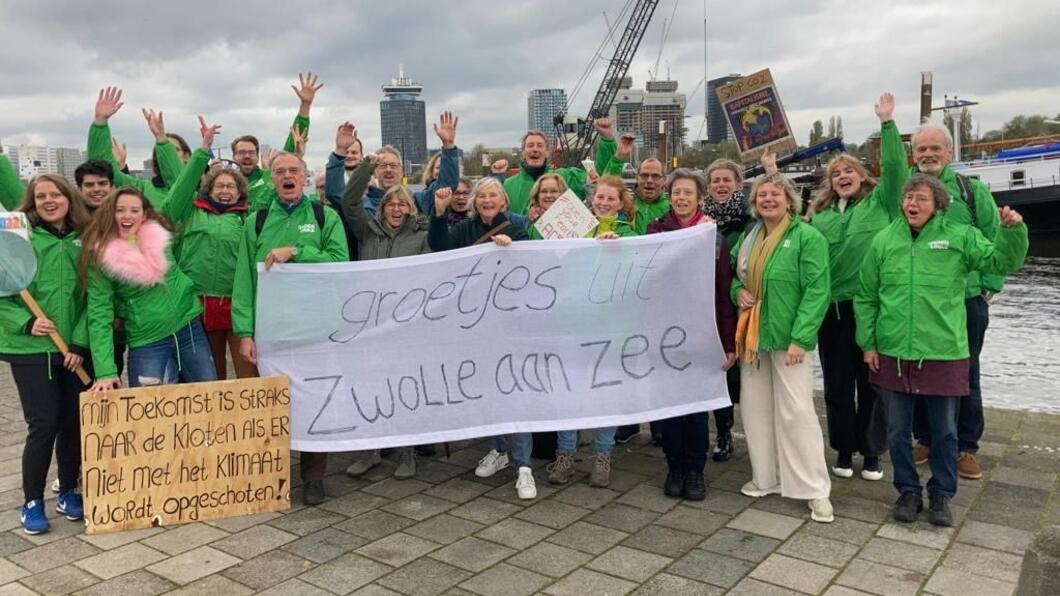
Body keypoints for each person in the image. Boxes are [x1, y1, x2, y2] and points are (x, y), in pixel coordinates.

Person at [855, 174, 1028, 526]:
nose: (911, 204)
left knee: (946, 431)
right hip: (894, 350)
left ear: (938, 204)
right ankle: (907, 490)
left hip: (944, 350)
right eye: (907, 197)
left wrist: (1012, 232)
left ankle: (941, 494)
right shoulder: (884, 240)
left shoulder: (959, 236)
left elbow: (999, 262)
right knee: (897, 430)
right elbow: (867, 295)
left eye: (920, 198)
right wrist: (869, 343)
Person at [232, 151, 349, 506]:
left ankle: (313, 476)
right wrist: (244, 332)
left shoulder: (324, 215)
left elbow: (339, 262)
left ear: (304, 177)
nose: (287, 176)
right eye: (280, 171)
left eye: (293, 171)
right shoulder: (256, 221)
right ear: (272, 180)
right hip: (273, 330)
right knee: (272, 401)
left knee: (314, 400)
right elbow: (243, 282)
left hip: (314, 327)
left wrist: (296, 252)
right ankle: (272, 472)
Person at [806, 93, 908, 480]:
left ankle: (872, 450)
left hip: (868, 307)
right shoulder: (821, 216)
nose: (843, 177)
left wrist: (887, 123)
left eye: (849, 171)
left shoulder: (881, 205)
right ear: (830, 182)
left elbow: (897, 170)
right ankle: (844, 449)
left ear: (862, 176)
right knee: (836, 384)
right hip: (830, 310)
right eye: (836, 174)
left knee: (872, 382)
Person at [731, 173, 833, 523]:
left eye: (775, 195)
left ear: (790, 201)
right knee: (755, 409)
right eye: (762, 195)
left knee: (797, 411)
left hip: (788, 337)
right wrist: (736, 292)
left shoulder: (808, 238)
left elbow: (817, 290)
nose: (768, 200)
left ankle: (815, 489)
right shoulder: (749, 237)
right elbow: (735, 274)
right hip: (754, 336)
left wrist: (801, 338)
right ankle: (766, 476)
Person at [334, 124, 432, 480]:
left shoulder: (421, 235)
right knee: (371, 385)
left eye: (401, 203)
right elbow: (348, 201)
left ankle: (407, 453)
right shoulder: (367, 230)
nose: (395, 208)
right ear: (382, 208)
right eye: (389, 203)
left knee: (404, 386)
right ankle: (372, 449)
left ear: (409, 208)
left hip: (406, 323)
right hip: (371, 323)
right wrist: (366, 168)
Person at [908, 122, 1005, 481]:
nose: (928, 155)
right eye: (922, 150)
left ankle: (966, 446)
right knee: (917, 368)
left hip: (965, 299)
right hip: (922, 299)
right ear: (913, 155)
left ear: (949, 152)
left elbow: (995, 237)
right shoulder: (908, 191)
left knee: (965, 372)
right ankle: (927, 439)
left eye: (935, 149)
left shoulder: (970, 191)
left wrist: (988, 287)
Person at [428, 177, 536, 498]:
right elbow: (439, 247)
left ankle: (524, 466)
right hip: (475, 324)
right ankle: (498, 450)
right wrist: (437, 214)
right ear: (475, 203)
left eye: (493, 195)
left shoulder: (517, 230)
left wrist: (512, 249)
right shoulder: (465, 229)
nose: (487, 200)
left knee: (513, 394)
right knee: (487, 390)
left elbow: (534, 263)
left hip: (510, 326)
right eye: (482, 196)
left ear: (503, 201)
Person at [0, 175, 92, 534]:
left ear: (69, 198)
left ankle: (69, 489)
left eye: (56, 194)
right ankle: (32, 501)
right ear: (32, 201)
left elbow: (94, 299)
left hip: (72, 351)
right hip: (31, 349)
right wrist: (25, 323)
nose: (49, 200)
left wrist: (81, 345)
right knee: (44, 424)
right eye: (41, 196)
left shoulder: (85, 241)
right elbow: (4, 293)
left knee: (73, 423)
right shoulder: (18, 239)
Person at [641, 169, 737, 500]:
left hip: (701, 333)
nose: (682, 198)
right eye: (677, 192)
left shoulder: (713, 238)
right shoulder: (655, 232)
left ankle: (695, 469)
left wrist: (728, 342)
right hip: (665, 334)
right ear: (670, 197)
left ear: (700, 199)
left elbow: (724, 293)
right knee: (669, 406)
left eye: (688, 193)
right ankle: (674, 466)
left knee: (696, 407)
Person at [544, 175, 636, 489]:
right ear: (592, 199)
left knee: (606, 392)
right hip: (574, 323)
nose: (604, 203)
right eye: (600, 197)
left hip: (612, 326)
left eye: (611, 199)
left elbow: (638, 270)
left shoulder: (629, 232)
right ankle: (566, 454)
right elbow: (552, 257)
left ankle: (602, 455)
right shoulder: (576, 226)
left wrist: (620, 250)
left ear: (621, 203)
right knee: (570, 390)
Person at [80, 184, 217, 391]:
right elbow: (99, 314)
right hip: (148, 341)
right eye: (120, 210)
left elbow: (179, 188)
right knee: (152, 412)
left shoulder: (160, 236)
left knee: (210, 398)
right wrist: (105, 371)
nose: (128, 215)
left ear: (144, 215)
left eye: (135, 210)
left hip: (189, 330)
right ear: (109, 213)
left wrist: (201, 154)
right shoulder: (101, 257)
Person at [158, 116, 257, 381]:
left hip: (237, 305)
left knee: (248, 372)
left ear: (240, 192)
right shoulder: (190, 212)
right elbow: (178, 187)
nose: (225, 191)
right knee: (210, 377)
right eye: (219, 186)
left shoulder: (249, 219)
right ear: (208, 189)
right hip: (197, 306)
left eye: (231, 186)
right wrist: (202, 151)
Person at [700, 158, 752, 460]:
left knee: (734, 372)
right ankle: (719, 431)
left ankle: (731, 430)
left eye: (726, 180)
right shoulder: (698, 221)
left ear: (737, 184)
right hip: (704, 305)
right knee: (713, 370)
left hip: (737, 304)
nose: (721, 185)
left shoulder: (749, 221)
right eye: (716, 180)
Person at [229, 72, 322, 211]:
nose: (247, 156)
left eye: (251, 152)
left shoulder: (270, 176)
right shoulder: (225, 183)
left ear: (257, 156)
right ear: (233, 156)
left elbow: (292, 146)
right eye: (242, 152)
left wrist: (305, 105)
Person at [87, 87, 184, 207]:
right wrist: (100, 123)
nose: (170, 155)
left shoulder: (203, 193)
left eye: (176, 150)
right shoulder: (143, 190)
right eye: (164, 152)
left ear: (188, 156)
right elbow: (101, 168)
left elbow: (180, 182)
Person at [503, 118, 618, 215]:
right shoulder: (508, 185)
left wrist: (607, 140)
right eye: (530, 145)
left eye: (540, 145)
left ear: (547, 152)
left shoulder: (567, 177)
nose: (535, 149)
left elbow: (600, 178)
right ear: (523, 152)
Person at [602, 132, 671, 235]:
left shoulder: (672, 209)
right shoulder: (624, 205)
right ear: (637, 178)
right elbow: (607, 186)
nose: (649, 181)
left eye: (655, 176)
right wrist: (619, 156)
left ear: (664, 180)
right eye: (644, 175)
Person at [525, 174, 568, 239]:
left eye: (554, 191)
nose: (548, 195)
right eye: (543, 191)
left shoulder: (577, 220)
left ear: (563, 194)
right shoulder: (530, 224)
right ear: (537, 196)